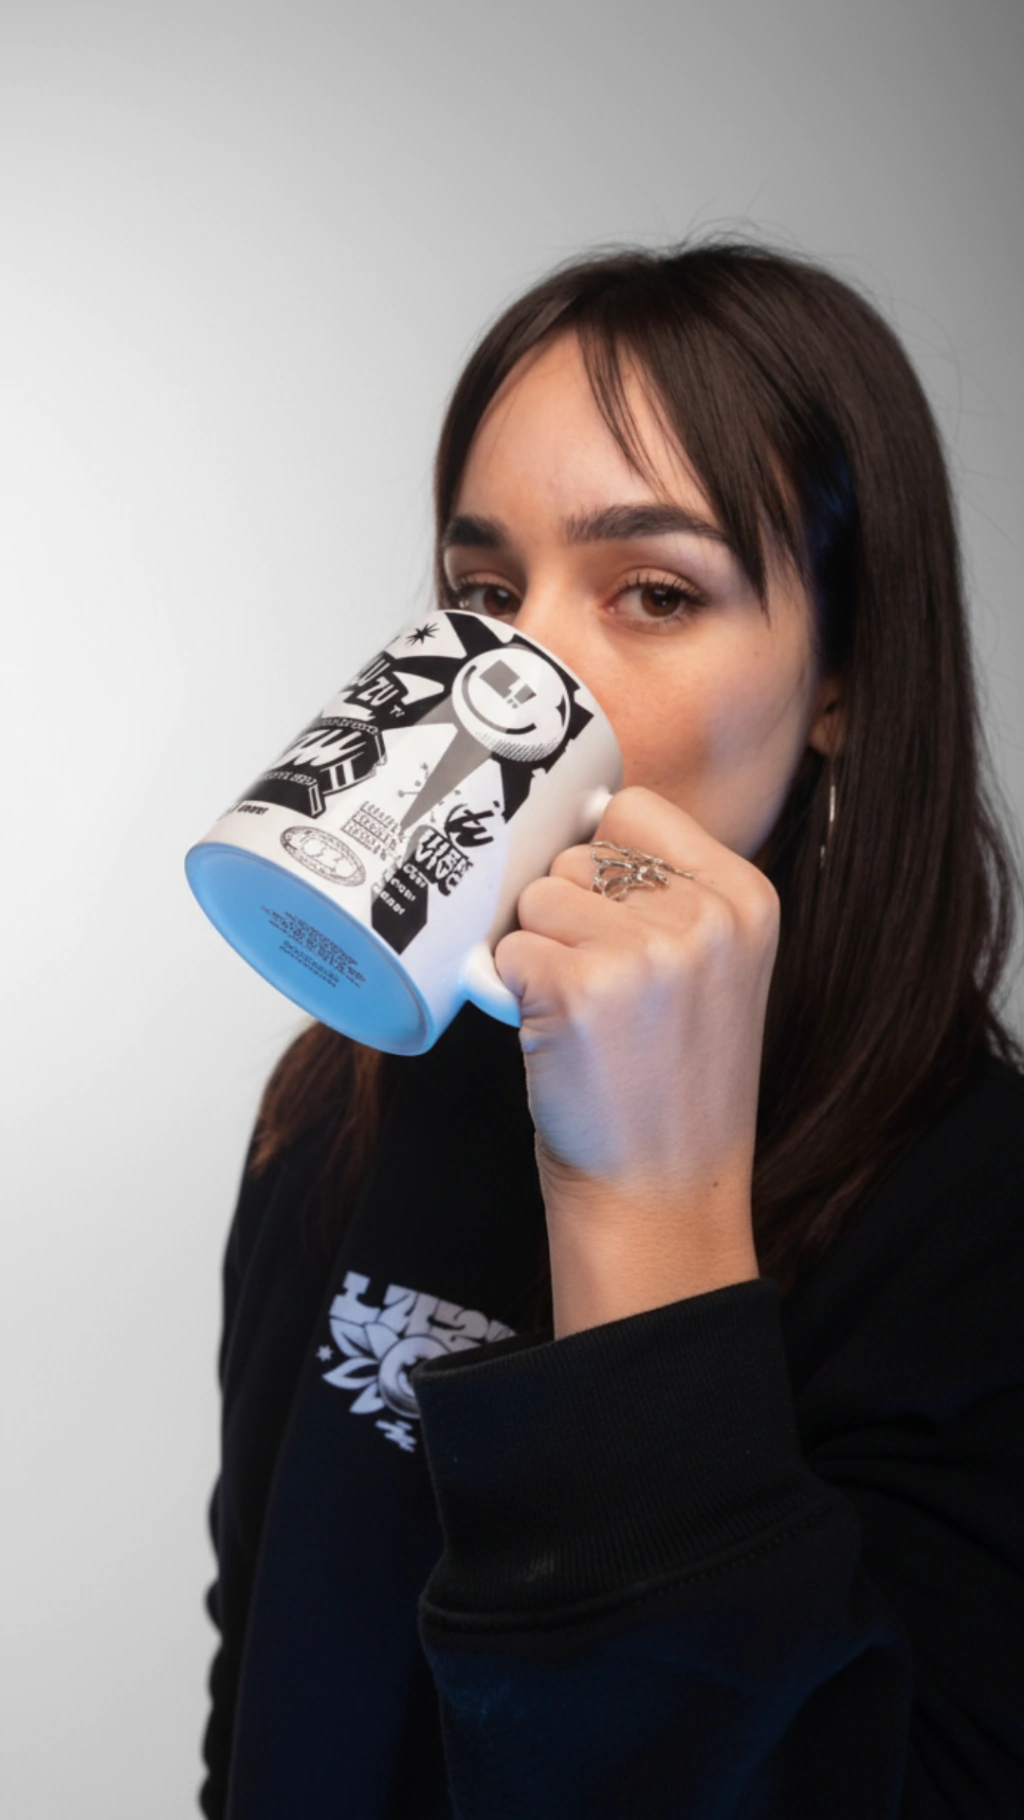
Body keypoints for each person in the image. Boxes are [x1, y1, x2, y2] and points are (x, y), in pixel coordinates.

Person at [199, 241, 1024, 1818]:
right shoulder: (341, 1098)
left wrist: (648, 1211)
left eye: (654, 592)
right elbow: (265, 1687)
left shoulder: (976, 1217)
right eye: (487, 595)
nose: (526, 672)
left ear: (840, 678)